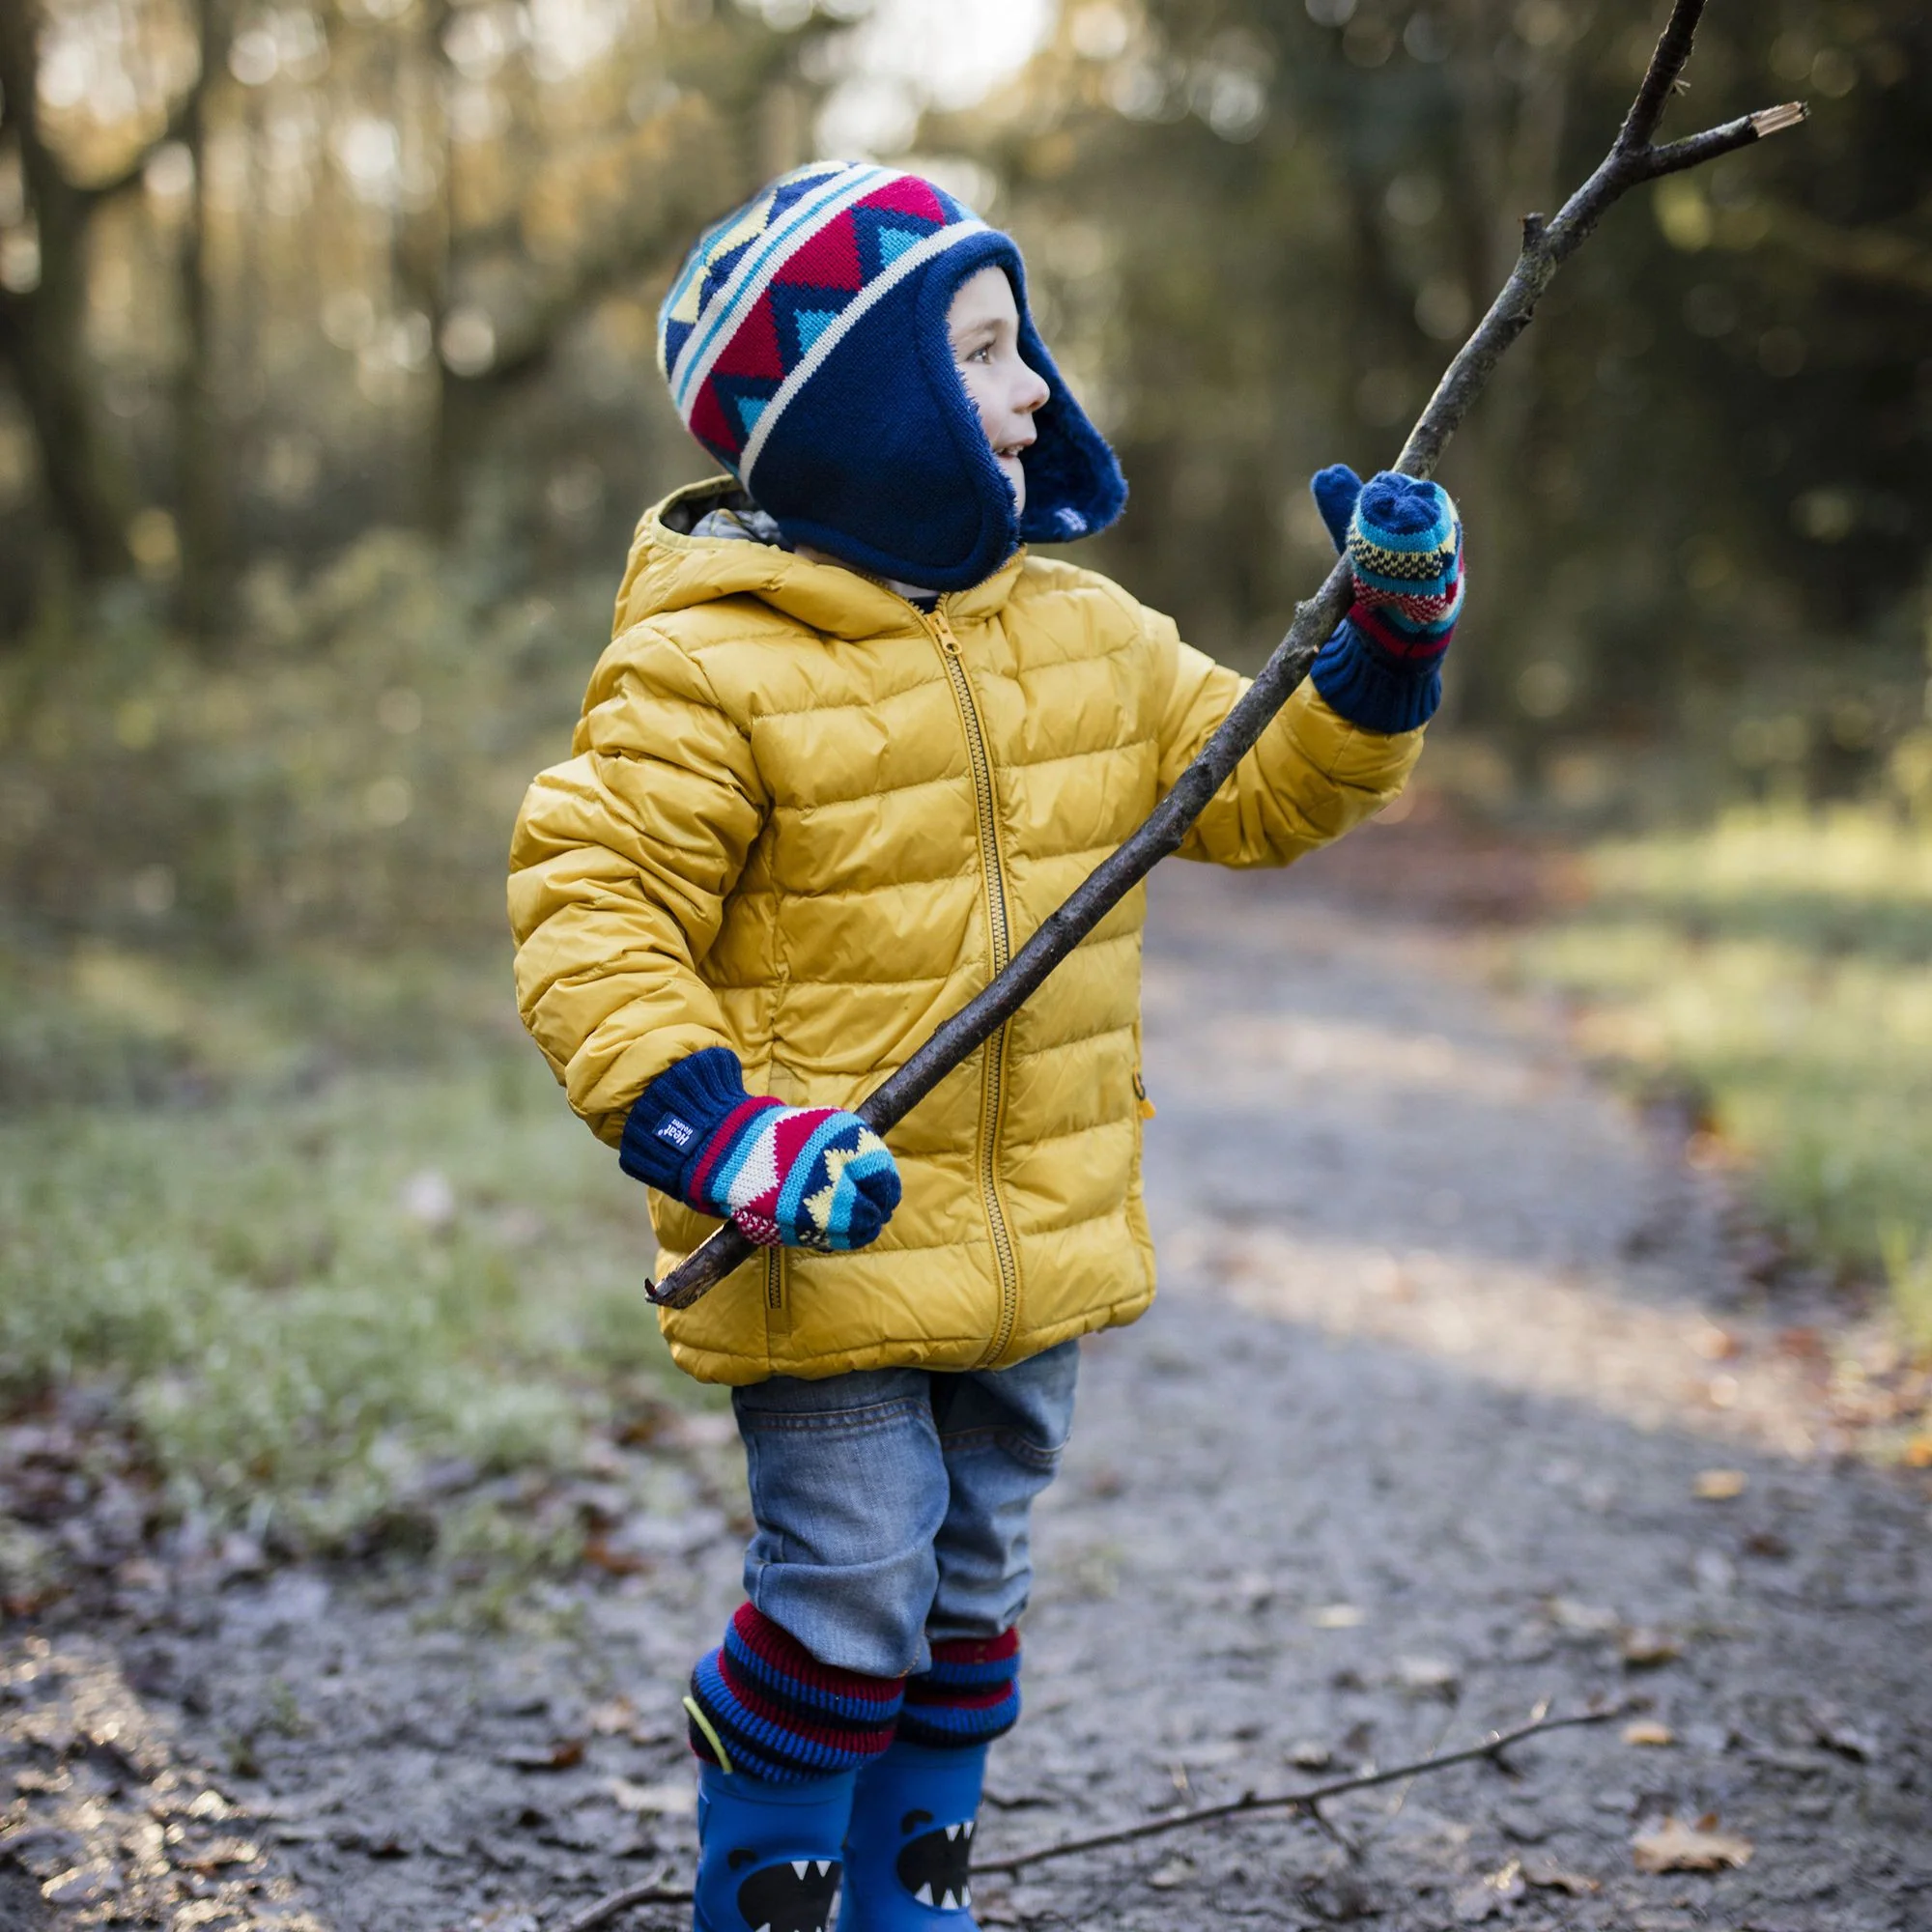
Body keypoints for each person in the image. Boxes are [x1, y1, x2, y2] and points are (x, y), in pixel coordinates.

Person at [507, 160, 1464, 1932]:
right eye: (981, 353)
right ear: (864, 410)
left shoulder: (1088, 634)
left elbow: (1255, 790)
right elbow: (594, 911)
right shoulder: (706, 670)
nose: (1034, 391)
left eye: (1022, 347)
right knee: (852, 1586)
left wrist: (1380, 648)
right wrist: (722, 1131)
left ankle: (911, 1900)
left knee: (969, 1589)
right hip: (824, 1233)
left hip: (1039, 1234)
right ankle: (769, 1886)